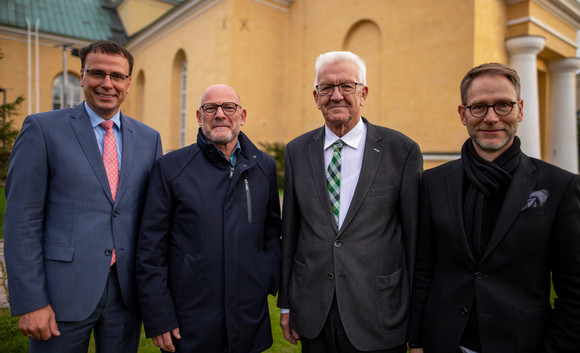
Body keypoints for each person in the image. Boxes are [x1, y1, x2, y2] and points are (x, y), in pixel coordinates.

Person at [407, 63, 580, 353]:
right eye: (479, 107)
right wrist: (416, 342)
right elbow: (424, 270)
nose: (491, 118)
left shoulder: (561, 186)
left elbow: (574, 290)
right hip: (444, 342)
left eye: (503, 105)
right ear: (463, 114)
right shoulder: (433, 183)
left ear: (520, 110)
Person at [4, 40, 162, 352]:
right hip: (61, 293)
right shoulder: (42, 129)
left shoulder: (148, 139)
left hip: (126, 295)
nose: (107, 84)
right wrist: (31, 300)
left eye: (117, 76)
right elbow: (22, 221)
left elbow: (151, 218)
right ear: (82, 76)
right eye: (97, 73)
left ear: (128, 83)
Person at [277, 51, 423, 353]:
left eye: (346, 86)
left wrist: (417, 318)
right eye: (326, 88)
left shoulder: (402, 151)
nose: (336, 95)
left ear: (363, 93)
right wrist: (286, 304)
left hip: (379, 313)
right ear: (316, 97)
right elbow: (290, 234)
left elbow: (414, 241)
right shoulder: (297, 151)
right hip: (315, 309)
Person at [136, 84, 281, 353]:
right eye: (210, 108)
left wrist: (265, 272)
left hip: (248, 312)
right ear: (199, 116)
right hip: (191, 317)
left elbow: (272, 229)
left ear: (243, 115)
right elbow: (150, 249)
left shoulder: (264, 166)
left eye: (229, 107)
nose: (220, 114)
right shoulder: (171, 168)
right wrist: (159, 317)